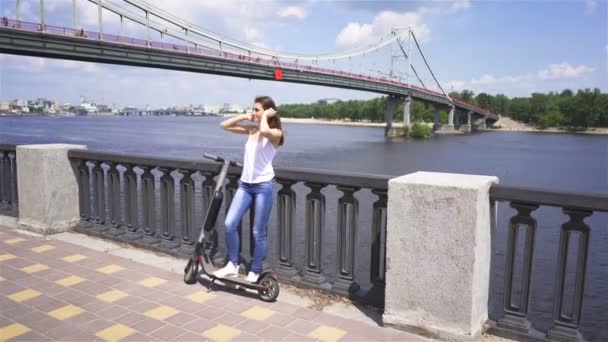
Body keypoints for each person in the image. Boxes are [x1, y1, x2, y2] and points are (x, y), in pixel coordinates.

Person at [214, 96, 284, 282]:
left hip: (263, 186)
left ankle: (255, 270)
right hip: (245, 185)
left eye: (257, 109)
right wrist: (245, 115)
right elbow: (224, 124)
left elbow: (265, 129)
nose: (253, 112)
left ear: (269, 112)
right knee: (230, 224)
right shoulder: (252, 129)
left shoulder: (276, 133)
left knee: (257, 232)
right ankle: (233, 265)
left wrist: (262, 118)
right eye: (252, 109)